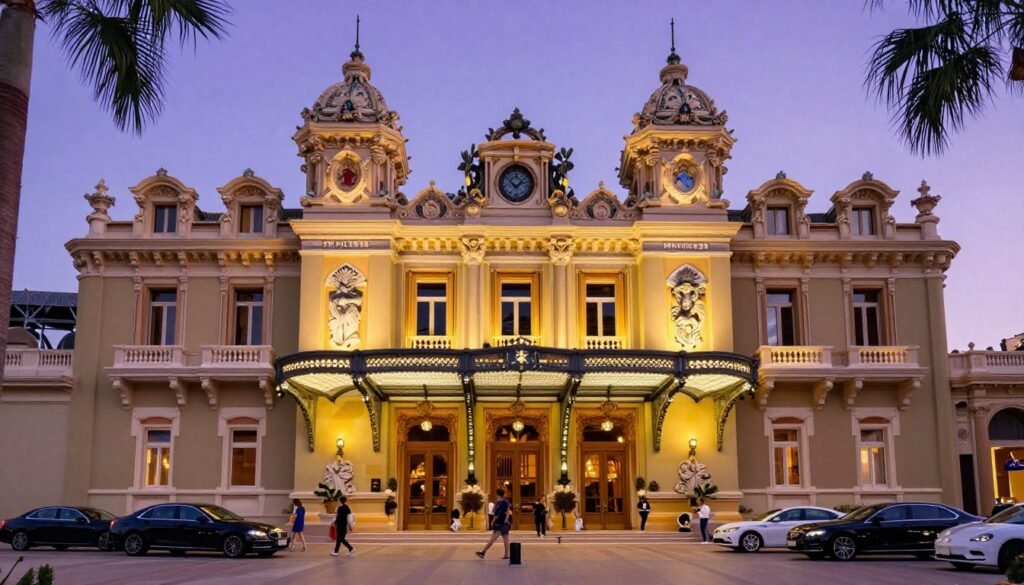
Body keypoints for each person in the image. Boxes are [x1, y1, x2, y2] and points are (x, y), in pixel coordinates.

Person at [476, 488, 511, 559]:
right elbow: (508, 512)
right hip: (504, 524)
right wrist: (506, 520)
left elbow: (496, 514)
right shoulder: (506, 502)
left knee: (493, 539)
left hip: (498, 523)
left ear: (498, 494)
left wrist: (492, 522)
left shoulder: (499, 503)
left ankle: (483, 552)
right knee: (506, 539)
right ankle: (506, 554)